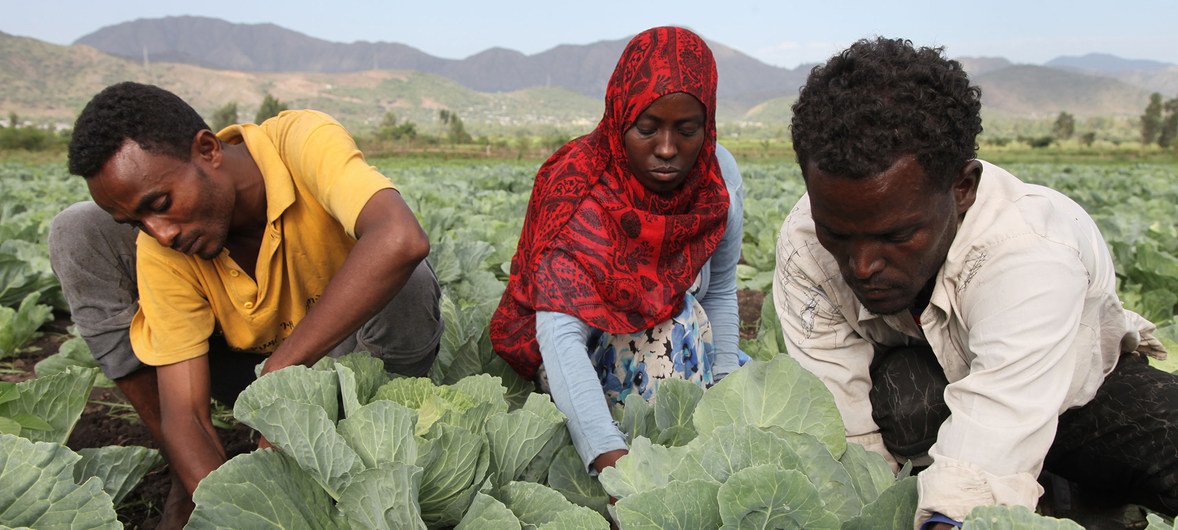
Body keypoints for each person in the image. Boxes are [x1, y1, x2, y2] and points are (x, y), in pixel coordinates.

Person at [774, 37, 1177, 528]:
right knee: (901, 401)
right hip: (928, 382)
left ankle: (1081, 491)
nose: (861, 265)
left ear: (961, 189)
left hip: (1071, 392)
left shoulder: (1030, 252)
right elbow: (837, 413)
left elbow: (996, 428)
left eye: (895, 235)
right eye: (837, 233)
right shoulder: (804, 240)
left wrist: (951, 517)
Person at [49, 82, 444, 527]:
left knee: (409, 278)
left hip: (352, 373)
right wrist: (238, 509)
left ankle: (372, 458)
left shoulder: (300, 141)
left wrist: (281, 372)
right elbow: (186, 414)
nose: (161, 233)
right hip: (240, 371)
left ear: (208, 150)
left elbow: (401, 238)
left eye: (160, 203)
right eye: (137, 221)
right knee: (75, 229)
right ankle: (190, 484)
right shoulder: (164, 246)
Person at [490, 26, 745, 475]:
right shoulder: (575, 185)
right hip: (576, 360)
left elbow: (721, 290)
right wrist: (610, 460)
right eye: (646, 128)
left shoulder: (716, 177)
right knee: (676, 321)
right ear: (619, 116)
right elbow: (559, 334)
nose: (667, 149)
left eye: (687, 130)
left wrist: (727, 393)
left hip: (683, 357)